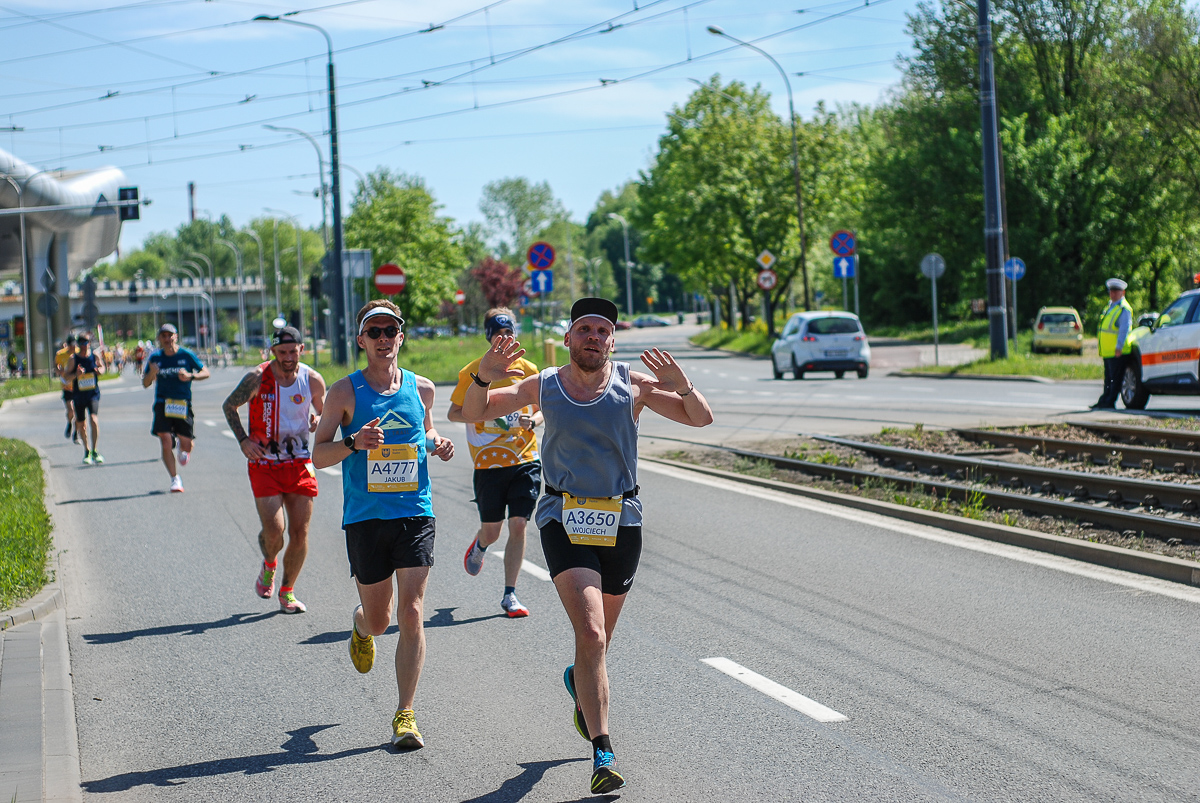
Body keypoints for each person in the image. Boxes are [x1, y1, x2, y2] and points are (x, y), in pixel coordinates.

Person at [462, 297, 713, 794]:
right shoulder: (546, 384)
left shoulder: (632, 385)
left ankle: (578, 681)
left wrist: (682, 384)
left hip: (622, 518)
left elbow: (699, 418)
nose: (594, 337)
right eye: (585, 329)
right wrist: (484, 375)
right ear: (569, 338)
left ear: (612, 341)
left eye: (603, 330)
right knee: (593, 634)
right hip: (564, 515)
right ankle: (602, 749)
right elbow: (474, 413)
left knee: (598, 644)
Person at [312, 299, 455, 750]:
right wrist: (353, 443)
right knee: (380, 619)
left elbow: (425, 430)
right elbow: (318, 455)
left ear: (401, 336)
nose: (382, 339)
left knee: (412, 612)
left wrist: (437, 442)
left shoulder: (423, 388)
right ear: (361, 340)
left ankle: (405, 713)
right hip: (366, 518)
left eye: (390, 330)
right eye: (373, 332)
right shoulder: (343, 393)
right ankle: (360, 625)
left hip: (415, 511)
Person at [223, 326, 326, 614]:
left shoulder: (313, 380)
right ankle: (269, 563)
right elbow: (229, 406)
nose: (289, 357)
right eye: (282, 352)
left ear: (302, 350)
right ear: (273, 352)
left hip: (299, 463)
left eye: (294, 351)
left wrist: (317, 419)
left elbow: (323, 412)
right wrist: (243, 440)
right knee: (275, 531)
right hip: (264, 464)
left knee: (300, 532)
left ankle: (287, 591)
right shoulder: (257, 377)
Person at [448, 308, 542, 618]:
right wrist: (483, 414)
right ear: (489, 338)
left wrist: (535, 419)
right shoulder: (473, 371)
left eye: (509, 333)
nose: (504, 339)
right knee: (492, 531)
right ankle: (480, 545)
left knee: (518, 523)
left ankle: (510, 594)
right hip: (488, 465)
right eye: (498, 334)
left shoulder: (529, 369)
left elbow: (544, 408)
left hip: (524, 458)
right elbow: (453, 413)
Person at [143, 323, 209, 492]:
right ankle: (175, 478)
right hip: (162, 403)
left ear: (176, 337)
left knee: (187, 444)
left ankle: (182, 447)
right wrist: (152, 373)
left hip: (182, 404)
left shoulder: (186, 355)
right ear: (159, 339)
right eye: (163, 336)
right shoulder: (155, 358)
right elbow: (145, 383)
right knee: (165, 440)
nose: (167, 339)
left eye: (170, 335)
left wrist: (190, 376)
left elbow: (205, 372)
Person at [1093, 278, 1134, 409]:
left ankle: (1110, 401)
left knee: (1114, 379)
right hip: (1108, 351)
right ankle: (1105, 400)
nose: (1113, 294)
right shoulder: (1110, 307)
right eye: (1111, 291)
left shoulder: (1123, 309)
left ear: (1123, 292)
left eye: (1116, 291)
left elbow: (1124, 329)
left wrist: (1119, 346)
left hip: (1117, 351)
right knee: (1108, 378)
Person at [67, 333, 105, 465]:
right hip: (79, 395)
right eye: (81, 343)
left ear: (90, 343)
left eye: (86, 342)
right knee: (81, 425)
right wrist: (76, 375)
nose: (84, 345)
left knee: (94, 420)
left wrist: (100, 370)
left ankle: (95, 449)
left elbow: (103, 367)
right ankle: (87, 450)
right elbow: (67, 377)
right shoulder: (74, 359)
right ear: (78, 344)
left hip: (93, 394)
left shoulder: (94, 356)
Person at [55, 335, 78, 442]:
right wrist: (59, 371)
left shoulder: (79, 352)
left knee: (79, 413)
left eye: (74, 345)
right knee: (71, 410)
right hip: (67, 386)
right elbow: (56, 366)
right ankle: (69, 423)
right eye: (71, 345)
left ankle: (76, 432)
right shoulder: (60, 354)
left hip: (78, 386)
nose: (73, 347)